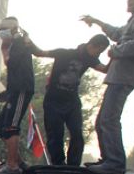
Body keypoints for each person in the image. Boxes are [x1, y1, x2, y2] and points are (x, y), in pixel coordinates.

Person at [81, 0, 134, 174]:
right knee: (102, 120)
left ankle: (114, 162)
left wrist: (116, 51)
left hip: (124, 77)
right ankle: (109, 159)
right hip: (118, 77)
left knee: (109, 118)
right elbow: (117, 33)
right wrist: (97, 22)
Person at [31, 35, 110, 166]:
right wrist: (28, 41)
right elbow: (39, 53)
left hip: (72, 102)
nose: (98, 54)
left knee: (77, 133)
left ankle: (74, 164)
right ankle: (58, 163)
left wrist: (115, 54)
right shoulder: (64, 53)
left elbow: (105, 69)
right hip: (53, 100)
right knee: (55, 134)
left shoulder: (90, 59)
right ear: (92, 45)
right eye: (99, 51)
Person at [0, 17, 35, 174]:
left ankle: (12, 165)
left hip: (21, 89)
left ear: (13, 30)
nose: (1, 33)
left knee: (11, 126)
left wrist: (4, 51)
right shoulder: (15, 44)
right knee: (0, 128)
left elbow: (10, 63)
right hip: (14, 90)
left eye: (4, 29)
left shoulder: (19, 44)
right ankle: (18, 161)